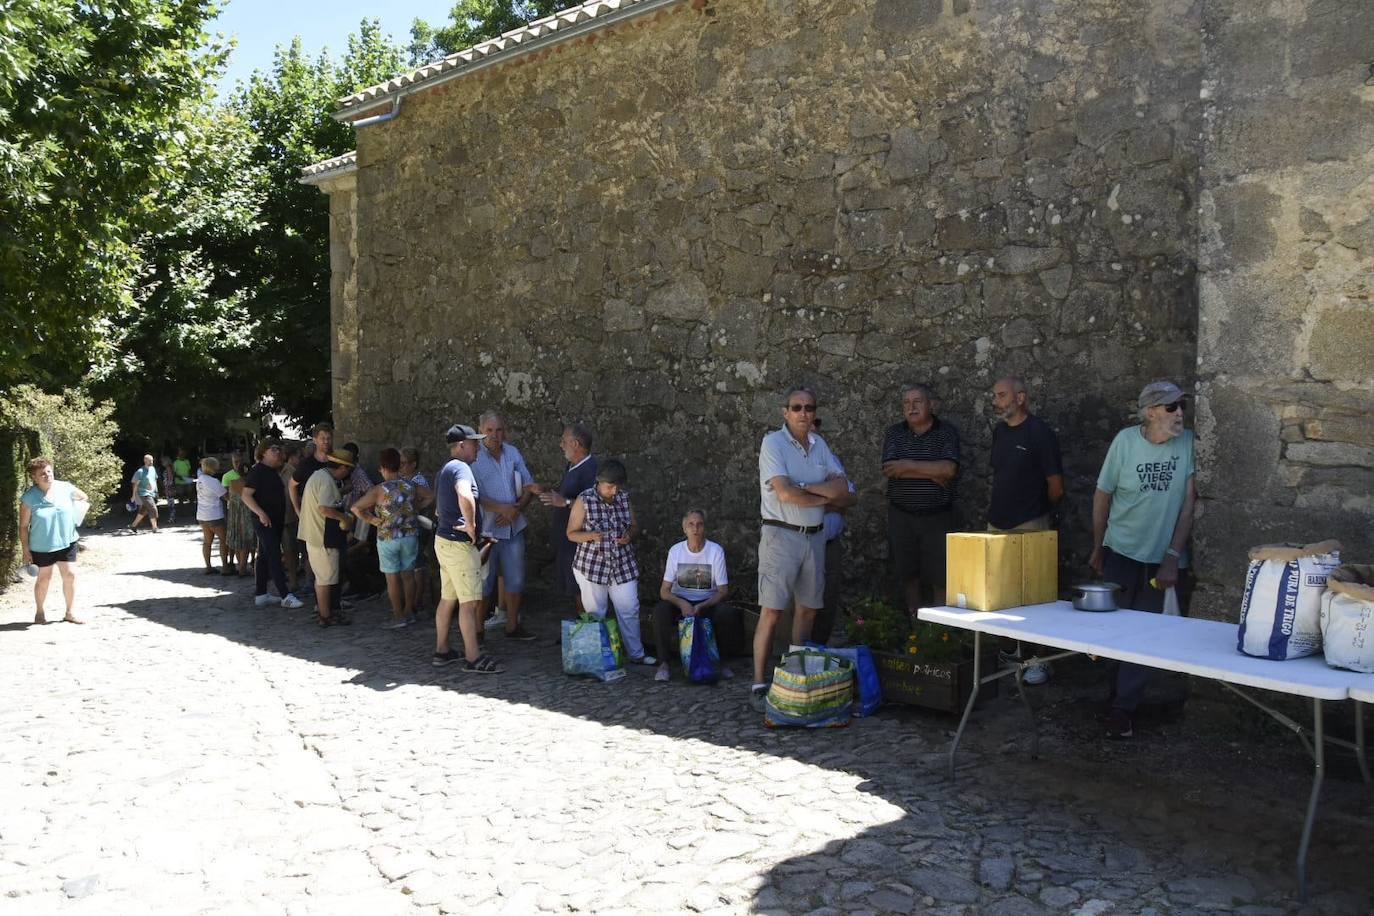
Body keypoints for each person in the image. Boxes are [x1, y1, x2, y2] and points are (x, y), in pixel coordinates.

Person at [1091, 380, 1198, 739]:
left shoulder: (1188, 443)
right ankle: (1112, 698)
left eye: (1181, 406)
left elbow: (1187, 506)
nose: (1179, 413)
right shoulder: (1125, 442)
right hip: (1120, 551)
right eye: (1171, 408)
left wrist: (1172, 557)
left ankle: (1124, 709)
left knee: (1144, 637)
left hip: (1161, 560)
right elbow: (1102, 495)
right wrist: (1098, 546)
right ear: (1151, 412)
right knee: (1112, 630)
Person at [751, 386, 853, 710]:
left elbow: (844, 489)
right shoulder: (773, 443)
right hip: (781, 535)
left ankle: (793, 676)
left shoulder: (819, 444)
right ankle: (757, 682)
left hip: (814, 536)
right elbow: (784, 494)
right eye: (797, 407)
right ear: (785, 412)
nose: (804, 413)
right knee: (772, 610)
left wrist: (807, 489)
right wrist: (824, 496)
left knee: (808, 608)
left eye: (809, 407)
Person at [987, 376, 1066, 685]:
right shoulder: (1000, 432)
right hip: (998, 522)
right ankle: (1010, 653)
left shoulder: (1040, 433)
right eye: (994, 396)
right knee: (1001, 592)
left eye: (1001, 395)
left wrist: (1034, 512)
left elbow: (1056, 486)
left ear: (1020, 398)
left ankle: (1040, 659)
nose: (996, 401)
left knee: (1036, 594)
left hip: (1031, 522)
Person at [882, 383, 960, 616]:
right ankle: (916, 625)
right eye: (906, 403)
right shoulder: (894, 433)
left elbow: (949, 470)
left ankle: (939, 630)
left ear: (931, 405)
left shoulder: (946, 432)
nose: (911, 407)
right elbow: (890, 470)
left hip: (937, 517)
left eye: (917, 402)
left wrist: (907, 465)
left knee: (940, 577)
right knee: (909, 574)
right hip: (902, 516)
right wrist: (931, 471)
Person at [567, 459, 655, 667]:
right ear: (599, 482)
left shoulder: (624, 498)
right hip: (592, 566)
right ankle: (599, 657)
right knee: (596, 612)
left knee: (629, 608)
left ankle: (636, 654)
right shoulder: (584, 500)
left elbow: (634, 526)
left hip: (622, 564)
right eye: (610, 487)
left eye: (617, 486)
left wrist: (628, 536)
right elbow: (571, 534)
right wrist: (590, 535)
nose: (614, 491)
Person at [432, 423, 503, 673]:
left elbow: (440, 509)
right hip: (459, 547)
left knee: (447, 599)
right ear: (462, 445)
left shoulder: (445, 470)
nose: (478, 447)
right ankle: (473, 658)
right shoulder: (461, 468)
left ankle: (442, 650)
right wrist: (471, 525)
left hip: (444, 541)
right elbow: (464, 495)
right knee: (470, 603)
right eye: (474, 442)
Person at [649, 509, 740, 683]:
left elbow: (722, 591)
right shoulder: (676, 551)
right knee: (660, 611)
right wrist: (682, 603)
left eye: (699, 524)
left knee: (727, 613)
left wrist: (702, 606)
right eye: (691, 524)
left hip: (707, 602)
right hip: (680, 601)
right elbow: (664, 591)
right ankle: (664, 664)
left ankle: (723, 663)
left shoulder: (715, 551)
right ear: (684, 529)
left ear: (704, 528)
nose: (695, 528)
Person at [473, 410, 539, 641]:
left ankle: (512, 625)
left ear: (505, 431)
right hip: (487, 531)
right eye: (489, 430)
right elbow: (474, 496)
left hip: (513, 527)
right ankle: (478, 630)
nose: (494, 435)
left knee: (516, 579)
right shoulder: (474, 458)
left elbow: (528, 484)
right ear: (480, 431)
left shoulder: (512, 453)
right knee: (483, 582)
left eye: (498, 430)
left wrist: (516, 510)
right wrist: (503, 509)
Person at [351, 447, 432, 629]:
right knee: (409, 576)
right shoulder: (410, 485)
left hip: (388, 538)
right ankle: (409, 612)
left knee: (392, 578)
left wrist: (372, 520)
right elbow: (430, 495)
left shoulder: (380, 490)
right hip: (410, 536)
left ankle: (398, 615)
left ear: (383, 468)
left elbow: (356, 508)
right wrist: (415, 509)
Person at [19, 457, 89, 625]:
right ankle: (40, 612)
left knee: (70, 575)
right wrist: (25, 550)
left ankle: (70, 612)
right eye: (42, 473)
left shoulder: (64, 487)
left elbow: (83, 496)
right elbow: (23, 526)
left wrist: (77, 504)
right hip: (42, 546)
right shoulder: (29, 498)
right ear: (34, 477)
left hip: (67, 541)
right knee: (44, 578)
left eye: (49, 471)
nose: (47, 475)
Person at [537, 423, 598, 614]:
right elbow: (568, 495)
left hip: (578, 545)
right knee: (574, 589)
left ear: (576, 444)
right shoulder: (573, 467)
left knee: (581, 590)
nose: (561, 445)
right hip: (566, 543)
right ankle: (580, 634)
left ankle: (587, 636)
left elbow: (593, 506)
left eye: (564, 441)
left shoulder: (590, 470)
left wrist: (564, 503)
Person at [241, 441, 304, 609]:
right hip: (264, 522)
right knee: (274, 555)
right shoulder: (258, 471)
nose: (277, 452)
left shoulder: (272, 471)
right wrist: (261, 513)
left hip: (275, 520)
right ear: (263, 453)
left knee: (263, 556)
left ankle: (261, 594)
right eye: (273, 449)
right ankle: (285, 595)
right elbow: (246, 495)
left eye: (278, 449)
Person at [809, 416, 855, 647]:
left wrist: (817, 500)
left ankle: (819, 647)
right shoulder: (786, 461)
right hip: (801, 542)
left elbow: (848, 498)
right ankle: (795, 650)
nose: (812, 427)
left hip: (828, 543)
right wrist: (829, 498)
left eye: (816, 423)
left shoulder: (831, 461)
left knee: (828, 597)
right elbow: (790, 502)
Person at [300, 450, 356, 627]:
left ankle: (326, 612)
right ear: (341, 467)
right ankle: (325, 616)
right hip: (322, 537)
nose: (348, 474)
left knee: (322, 577)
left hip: (314, 535)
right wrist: (344, 518)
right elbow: (324, 508)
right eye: (348, 470)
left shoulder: (319, 476)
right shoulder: (326, 480)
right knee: (325, 579)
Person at [195, 456, 230, 575]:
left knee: (207, 541)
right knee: (223, 540)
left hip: (202, 514)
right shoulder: (213, 481)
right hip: (214, 514)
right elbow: (225, 495)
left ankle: (208, 566)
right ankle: (225, 566)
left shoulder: (200, 479)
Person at [222, 451, 254, 575]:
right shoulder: (229, 477)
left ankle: (242, 566)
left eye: (239, 461)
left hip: (241, 513)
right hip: (238, 513)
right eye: (235, 462)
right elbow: (225, 495)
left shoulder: (244, 478)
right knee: (241, 540)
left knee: (242, 540)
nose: (238, 464)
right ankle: (242, 566)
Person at [128, 454, 160, 533]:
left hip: (151, 493)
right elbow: (135, 484)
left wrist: (156, 491)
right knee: (153, 508)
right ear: (145, 461)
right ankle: (154, 527)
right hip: (143, 493)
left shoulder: (153, 469)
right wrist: (133, 496)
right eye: (150, 460)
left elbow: (154, 480)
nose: (151, 462)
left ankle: (133, 525)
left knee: (144, 510)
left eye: (152, 460)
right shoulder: (140, 471)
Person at [160, 455, 177, 523]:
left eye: (163, 461)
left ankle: (172, 518)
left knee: (171, 503)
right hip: (168, 487)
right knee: (170, 503)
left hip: (169, 487)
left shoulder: (168, 468)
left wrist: (167, 488)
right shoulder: (169, 468)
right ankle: (172, 517)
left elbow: (170, 479)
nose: (162, 463)